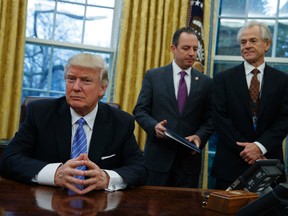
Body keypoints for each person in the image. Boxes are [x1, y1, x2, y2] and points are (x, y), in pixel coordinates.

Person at [0, 53, 148, 195]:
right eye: (71, 79)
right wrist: (54, 174)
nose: (76, 87)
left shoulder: (121, 122)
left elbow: (140, 169)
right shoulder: (40, 113)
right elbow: (9, 159)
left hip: (98, 204)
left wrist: (107, 178)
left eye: (86, 81)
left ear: (102, 88)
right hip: (45, 201)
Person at [211, 21, 288, 190]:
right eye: (243, 42)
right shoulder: (223, 79)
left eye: (253, 41)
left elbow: (284, 120)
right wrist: (248, 150)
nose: (247, 46)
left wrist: (259, 147)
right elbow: (220, 119)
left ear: (267, 44)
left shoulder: (282, 81)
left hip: (268, 165)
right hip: (231, 165)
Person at [133, 27, 213, 188]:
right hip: (157, 160)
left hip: (188, 164)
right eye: (186, 48)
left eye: (195, 49)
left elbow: (210, 119)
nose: (192, 53)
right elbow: (140, 110)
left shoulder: (206, 82)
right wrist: (154, 126)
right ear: (173, 48)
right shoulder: (154, 76)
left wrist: (199, 137)